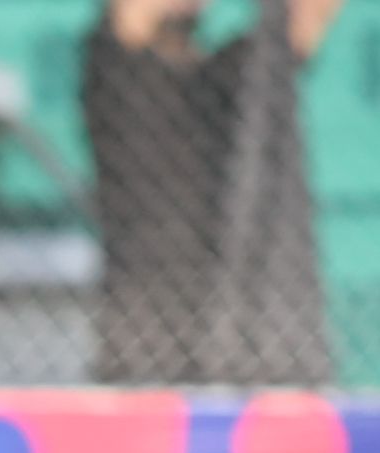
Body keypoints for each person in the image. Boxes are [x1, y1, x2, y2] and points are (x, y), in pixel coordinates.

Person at [82, 0, 349, 386]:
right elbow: (131, 18)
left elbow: (303, 24)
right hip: (148, 324)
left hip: (240, 324)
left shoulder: (231, 82)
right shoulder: (118, 70)